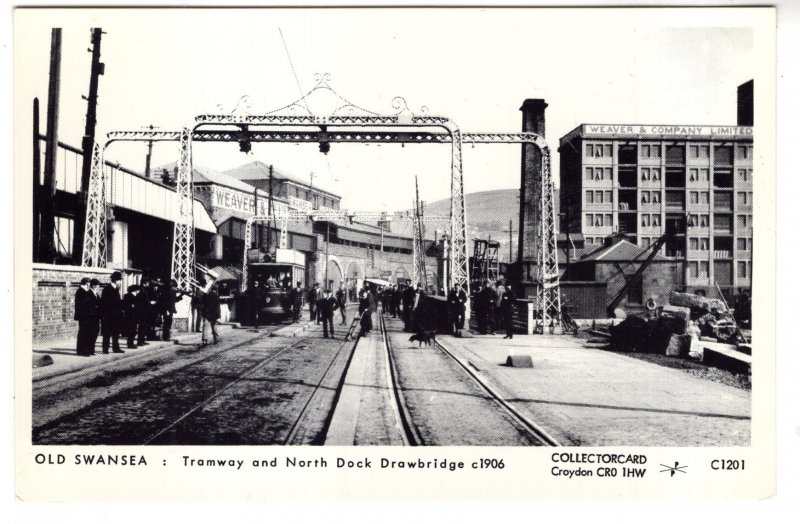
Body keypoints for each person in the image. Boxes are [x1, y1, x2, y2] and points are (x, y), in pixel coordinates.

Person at [100, 271, 125, 353]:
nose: (120, 282)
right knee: (107, 333)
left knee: (116, 333)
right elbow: (104, 303)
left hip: (117, 315)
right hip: (109, 315)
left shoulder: (116, 289)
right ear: (115, 280)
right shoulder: (107, 289)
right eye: (119, 280)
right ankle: (105, 349)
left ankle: (116, 348)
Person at [74, 277, 99, 356]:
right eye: (88, 283)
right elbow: (84, 304)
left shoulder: (84, 291)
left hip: (86, 316)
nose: (89, 285)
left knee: (86, 333)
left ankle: (85, 350)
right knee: (83, 333)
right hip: (83, 316)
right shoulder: (81, 291)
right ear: (87, 283)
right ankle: (82, 351)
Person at [122, 285, 141, 349]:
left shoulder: (134, 296)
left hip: (133, 316)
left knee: (133, 330)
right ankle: (130, 344)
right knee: (132, 330)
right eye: (138, 290)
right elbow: (128, 306)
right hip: (131, 316)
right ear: (136, 290)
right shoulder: (129, 296)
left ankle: (130, 343)